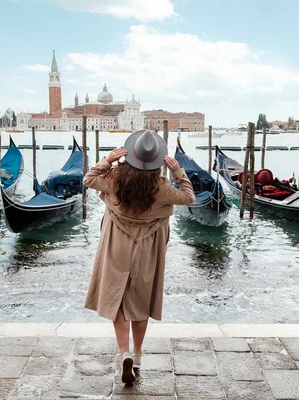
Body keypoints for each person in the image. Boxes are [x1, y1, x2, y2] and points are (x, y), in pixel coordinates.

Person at [83, 130, 195, 384]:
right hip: (147, 248)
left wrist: (107, 160)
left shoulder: (113, 180)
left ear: (130, 155)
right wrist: (178, 172)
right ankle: (138, 354)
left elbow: (88, 180)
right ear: (157, 161)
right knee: (141, 301)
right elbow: (189, 197)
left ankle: (124, 352)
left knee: (116, 300)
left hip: (115, 245)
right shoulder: (162, 187)